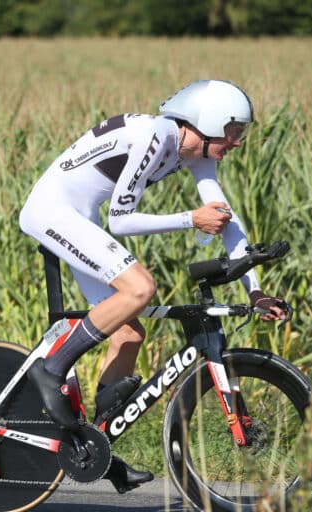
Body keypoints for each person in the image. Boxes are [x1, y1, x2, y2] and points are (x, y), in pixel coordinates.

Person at [18, 79, 288, 493]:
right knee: (140, 288)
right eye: (233, 131)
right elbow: (121, 221)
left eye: (241, 134)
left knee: (128, 331)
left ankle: (94, 444)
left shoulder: (195, 153)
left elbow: (226, 219)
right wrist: (190, 219)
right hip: (53, 211)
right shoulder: (155, 135)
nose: (237, 142)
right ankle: (50, 369)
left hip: (79, 215)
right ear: (208, 122)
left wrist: (255, 290)